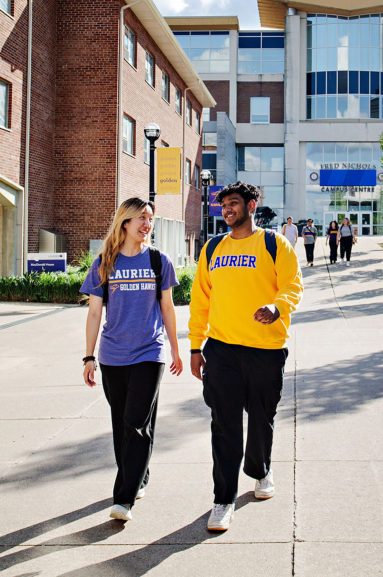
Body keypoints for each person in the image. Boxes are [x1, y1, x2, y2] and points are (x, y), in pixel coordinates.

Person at [189, 181, 303, 532]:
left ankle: (260, 470)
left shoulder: (274, 243)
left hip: (265, 350)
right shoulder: (211, 249)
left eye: (234, 203)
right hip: (221, 350)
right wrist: (196, 346)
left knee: (260, 418)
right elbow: (200, 302)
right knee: (223, 424)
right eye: (224, 204)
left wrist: (277, 306)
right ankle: (223, 499)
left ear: (252, 206)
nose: (228, 209)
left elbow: (293, 284)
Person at [80, 197, 184, 523]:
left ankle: (123, 499)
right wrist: (88, 356)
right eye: (141, 217)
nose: (146, 224)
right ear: (125, 222)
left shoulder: (158, 260)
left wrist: (176, 350)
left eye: (150, 218)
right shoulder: (104, 263)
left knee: (136, 423)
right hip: (113, 356)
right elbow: (95, 312)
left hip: (149, 351)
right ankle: (139, 475)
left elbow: (167, 307)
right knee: (122, 425)